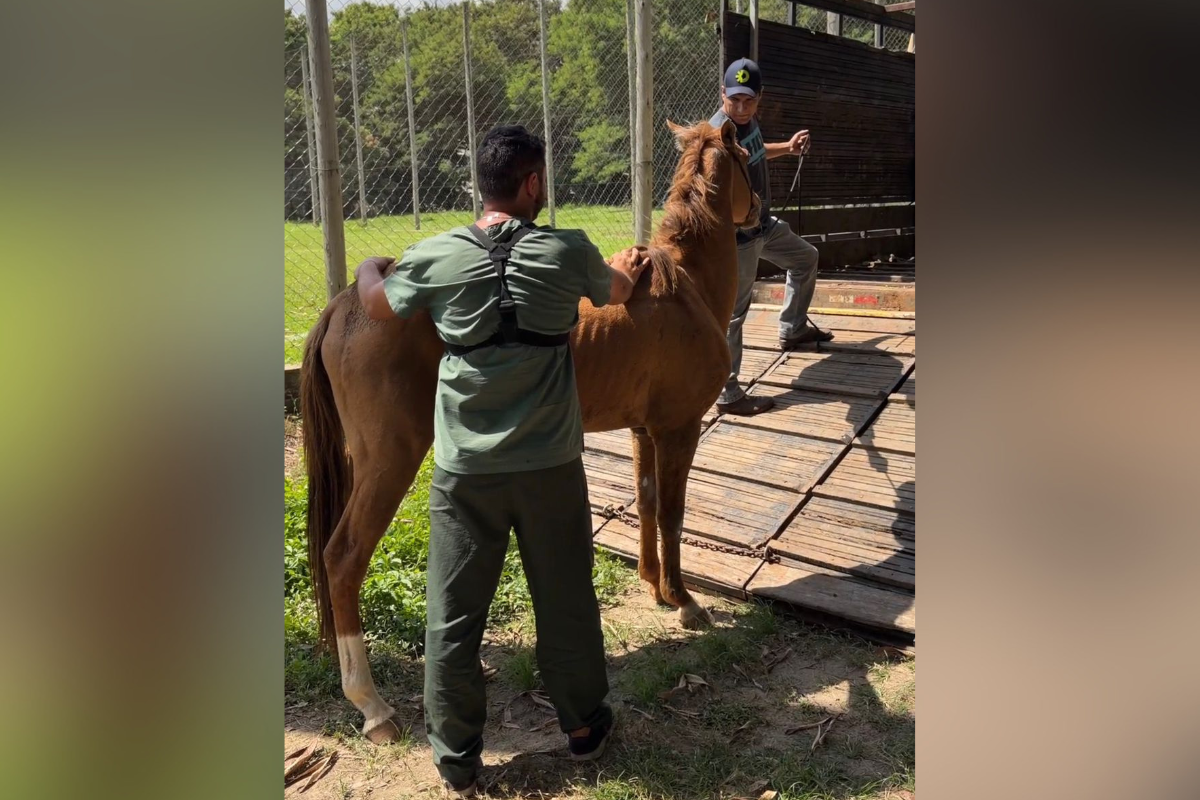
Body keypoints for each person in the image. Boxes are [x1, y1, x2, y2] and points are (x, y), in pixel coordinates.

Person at [355, 124, 649, 797]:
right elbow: (620, 293)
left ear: (478, 188)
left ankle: (457, 758)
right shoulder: (568, 250)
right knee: (568, 600)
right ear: (533, 184)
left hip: (467, 474)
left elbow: (376, 304)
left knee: (453, 613)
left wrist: (373, 266)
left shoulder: (435, 255)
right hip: (549, 465)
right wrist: (631, 264)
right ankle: (583, 728)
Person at [710, 57, 834, 417]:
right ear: (722, 94)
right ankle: (727, 392)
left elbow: (759, 154)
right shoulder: (718, 134)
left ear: (759, 98)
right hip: (740, 239)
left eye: (748, 100)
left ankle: (792, 328)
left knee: (805, 258)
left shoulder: (748, 123)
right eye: (734, 100)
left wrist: (788, 148)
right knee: (734, 313)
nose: (741, 107)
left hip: (764, 225)